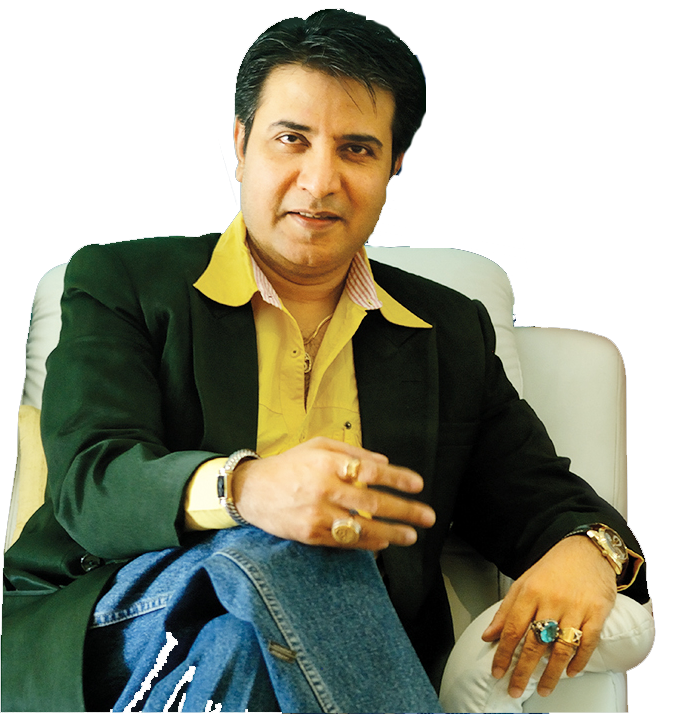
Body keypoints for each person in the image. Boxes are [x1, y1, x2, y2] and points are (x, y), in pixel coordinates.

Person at [2, 8, 651, 713]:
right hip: (119, 622)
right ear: (240, 142)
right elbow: (93, 485)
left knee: (240, 642)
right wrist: (250, 491)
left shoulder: (445, 332)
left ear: (395, 165)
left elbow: (539, 498)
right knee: (287, 544)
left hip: (295, 661)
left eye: (357, 150)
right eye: (292, 139)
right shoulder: (123, 282)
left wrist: (589, 550)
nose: (320, 180)